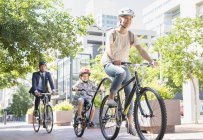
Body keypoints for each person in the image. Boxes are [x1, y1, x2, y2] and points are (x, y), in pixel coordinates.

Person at [101, 8, 158, 136]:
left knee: (130, 95)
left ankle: (129, 123)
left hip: (124, 65)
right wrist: (114, 59)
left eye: (131, 18)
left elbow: (141, 50)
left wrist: (151, 61)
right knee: (120, 73)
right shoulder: (112, 33)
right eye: (126, 17)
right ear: (119, 19)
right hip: (110, 63)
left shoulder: (131, 35)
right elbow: (109, 48)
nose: (128, 20)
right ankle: (111, 98)